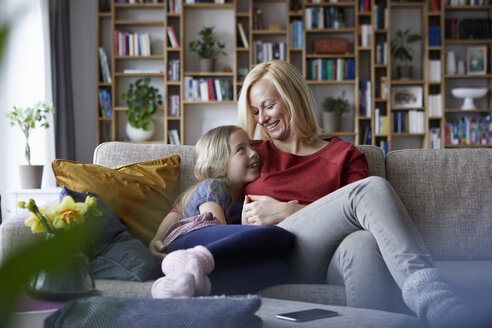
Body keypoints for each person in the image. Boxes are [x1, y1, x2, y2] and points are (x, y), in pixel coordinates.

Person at [234, 60, 481, 328]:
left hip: (331, 262)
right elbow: (208, 187)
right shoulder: (251, 152)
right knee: (371, 188)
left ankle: (428, 308)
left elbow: (372, 224)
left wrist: (291, 211)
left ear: (293, 98)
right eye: (255, 111)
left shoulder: (344, 155)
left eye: (269, 106)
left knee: (363, 242)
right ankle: (441, 304)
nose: (262, 119)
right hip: (275, 256)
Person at [150, 125, 294, 298]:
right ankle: (192, 261)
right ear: (220, 167)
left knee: (280, 269)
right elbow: (217, 229)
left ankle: (185, 285)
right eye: (241, 149)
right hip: (187, 242)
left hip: (197, 255)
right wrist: (157, 239)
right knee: (280, 236)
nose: (253, 153)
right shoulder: (212, 186)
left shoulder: (240, 197)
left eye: (251, 145)